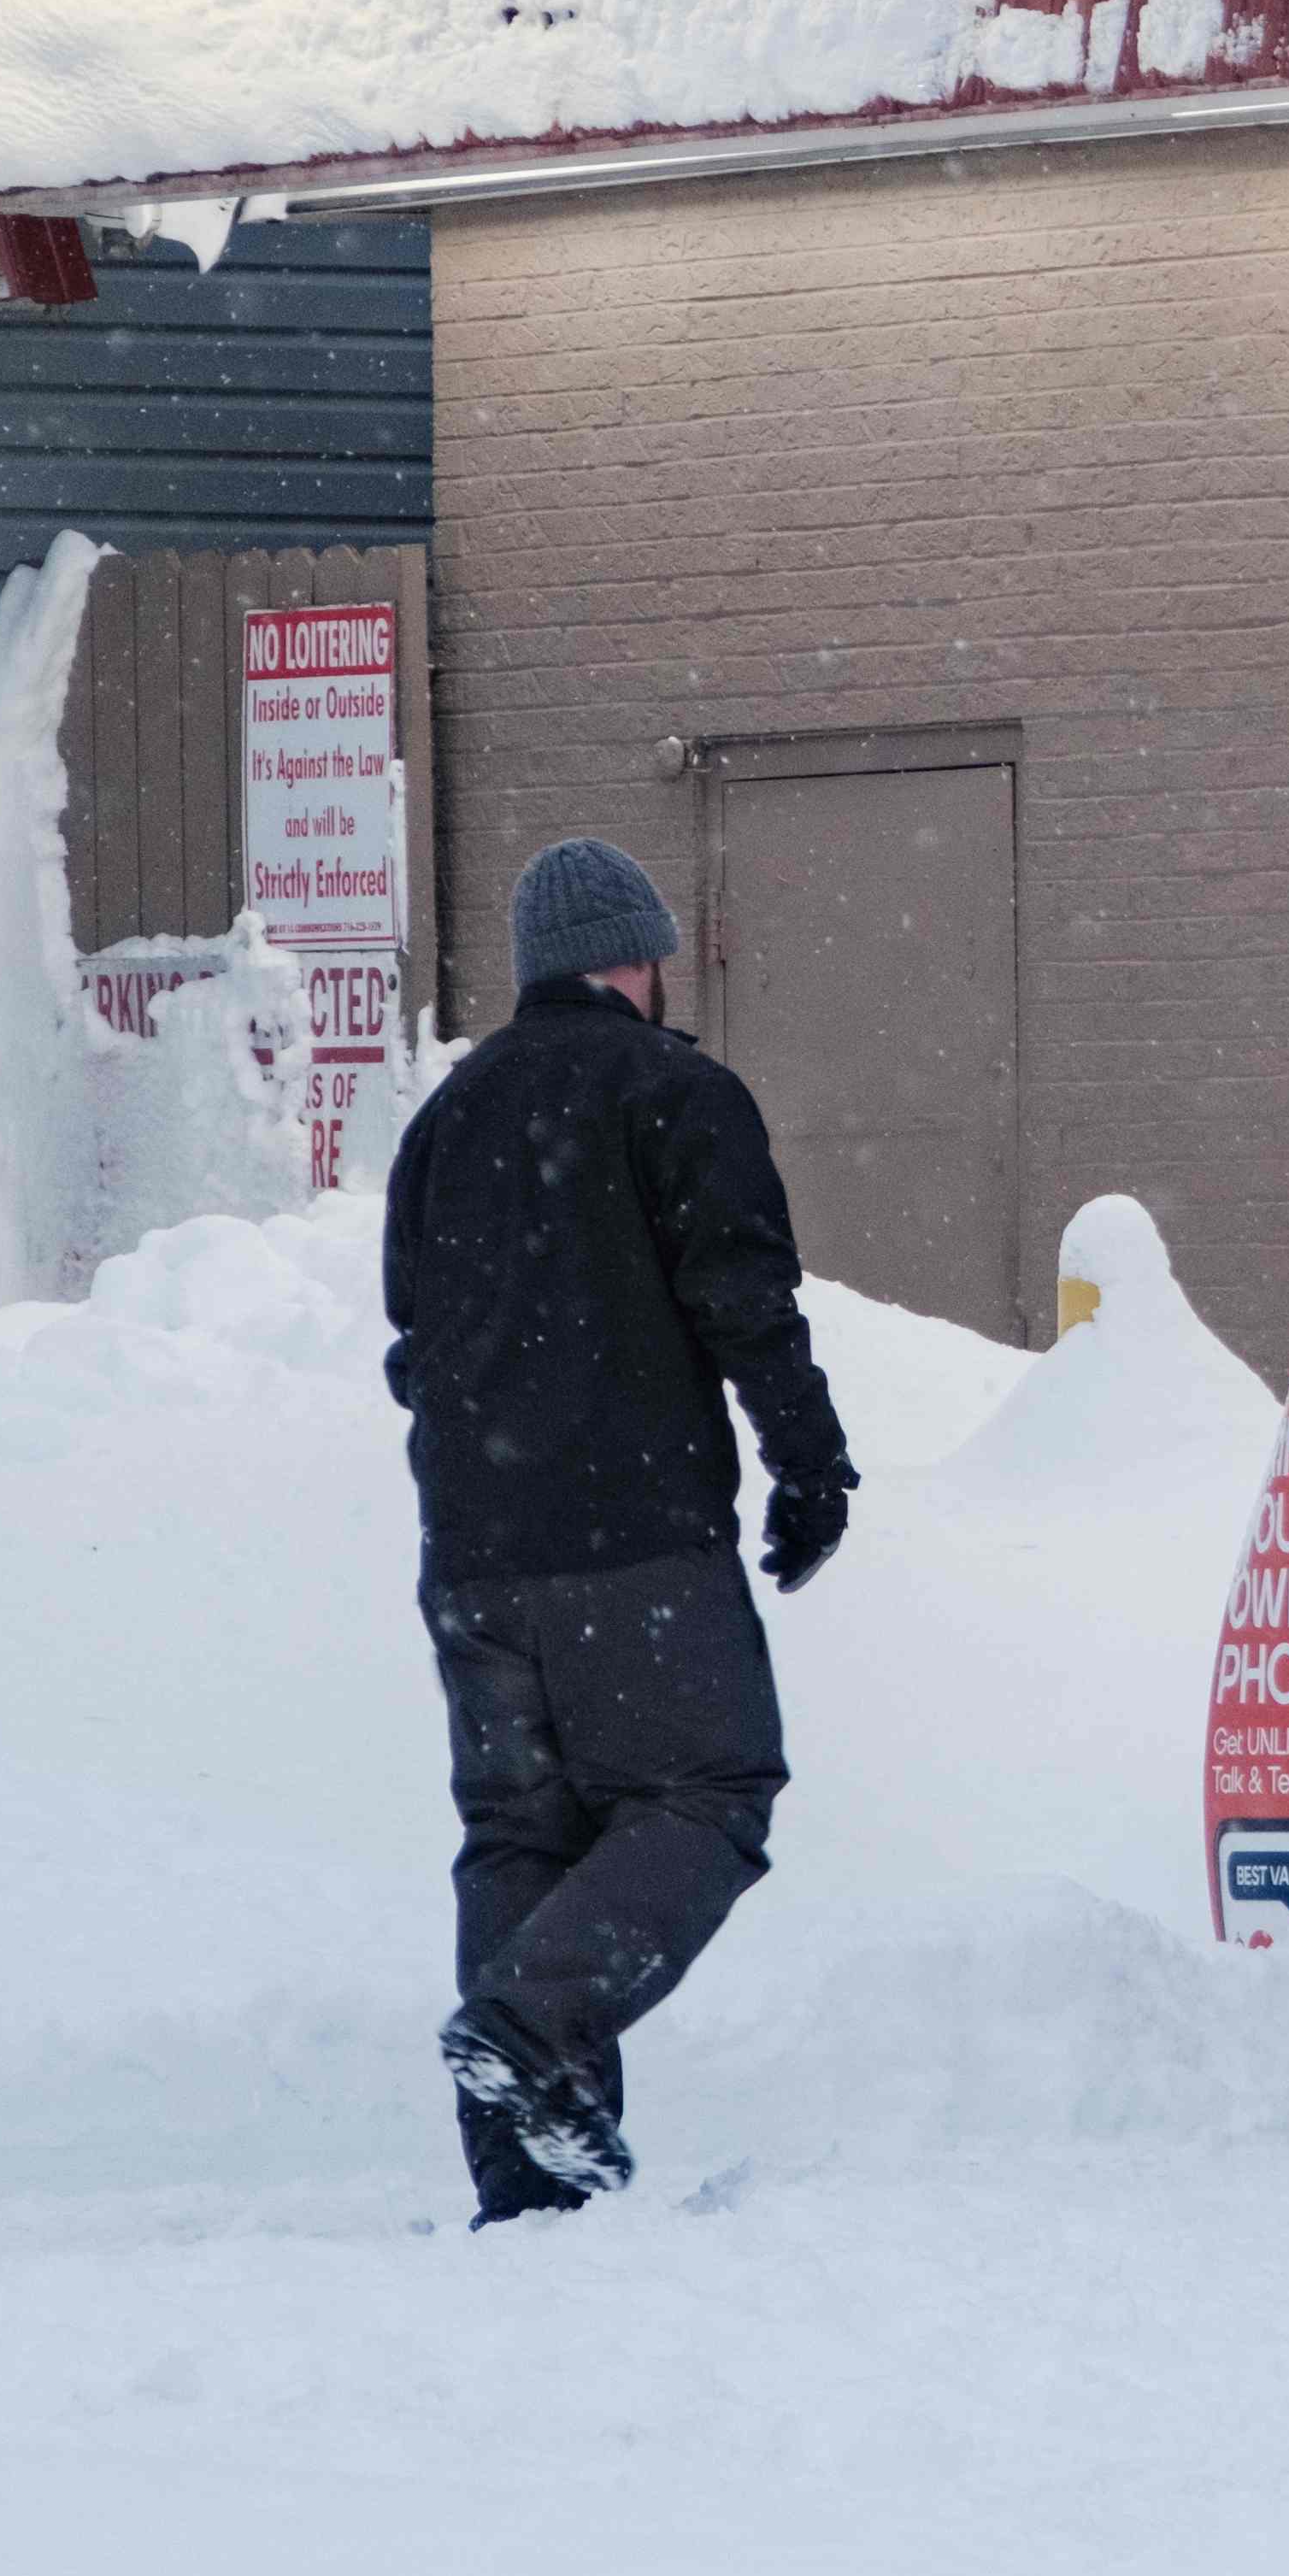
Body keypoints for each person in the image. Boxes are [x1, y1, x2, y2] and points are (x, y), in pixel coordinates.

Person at [381, 836, 855, 2223]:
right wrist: (809, 1466)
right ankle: (534, 2029)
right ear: (636, 956)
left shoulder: (447, 1118)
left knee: (521, 1833)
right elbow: (744, 1303)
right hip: (631, 1537)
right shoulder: (675, 1092)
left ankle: (528, 2176)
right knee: (711, 1789)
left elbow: (416, 1336)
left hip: (471, 1554)